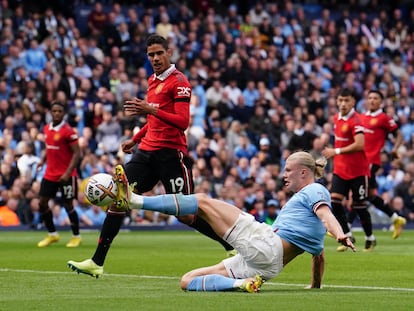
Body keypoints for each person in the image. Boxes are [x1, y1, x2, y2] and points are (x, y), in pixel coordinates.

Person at [68, 151, 355, 292]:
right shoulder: (308, 210)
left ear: (305, 173)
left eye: (289, 170)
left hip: (266, 245)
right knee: (186, 281)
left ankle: (133, 200)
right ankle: (242, 285)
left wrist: (340, 233)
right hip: (267, 267)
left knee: (202, 200)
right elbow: (319, 255)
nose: (284, 175)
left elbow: (326, 215)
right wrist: (315, 287)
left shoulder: (316, 190)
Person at [67, 34, 234, 274]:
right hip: (146, 152)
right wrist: (135, 139)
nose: (155, 58)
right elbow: (154, 118)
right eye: (151, 55)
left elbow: (182, 121)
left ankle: (230, 246)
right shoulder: (152, 80)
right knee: (119, 196)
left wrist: (148, 109)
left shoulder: (180, 82)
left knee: (186, 214)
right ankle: (96, 262)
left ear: (169, 53)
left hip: (171, 155)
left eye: (159, 53)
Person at [322, 88, 375, 252]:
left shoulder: (357, 120)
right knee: (335, 202)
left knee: (359, 206)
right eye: (340, 100)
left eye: (346, 100)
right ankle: (347, 233)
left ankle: (370, 238)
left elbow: (360, 144)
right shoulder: (336, 118)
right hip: (340, 169)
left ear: (353, 102)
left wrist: (335, 152)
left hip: (358, 171)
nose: (343, 104)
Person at [349, 89, 406, 239]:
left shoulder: (384, 118)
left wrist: (394, 149)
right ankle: (395, 218)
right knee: (370, 195)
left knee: (358, 193)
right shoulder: (361, 117)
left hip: (371, 161)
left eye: (375, 98)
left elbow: (398, 134)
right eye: (370, 98)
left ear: (381, 101)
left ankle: (346, 226)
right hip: (359, 161)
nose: (372, 100)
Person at [36, 101, 82, 248]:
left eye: (59, 111)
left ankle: (76, 236)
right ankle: (52, 234)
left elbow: (77, 153)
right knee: (42, 203)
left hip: (66, 174)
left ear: (64, 113)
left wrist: (68, 173)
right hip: (50, 173)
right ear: (50, 112)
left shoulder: (69, 131)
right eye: (54, 111)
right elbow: (48, 147)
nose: (56, 113)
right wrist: (42, 160)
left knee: (68, 204)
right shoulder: (46, 128)